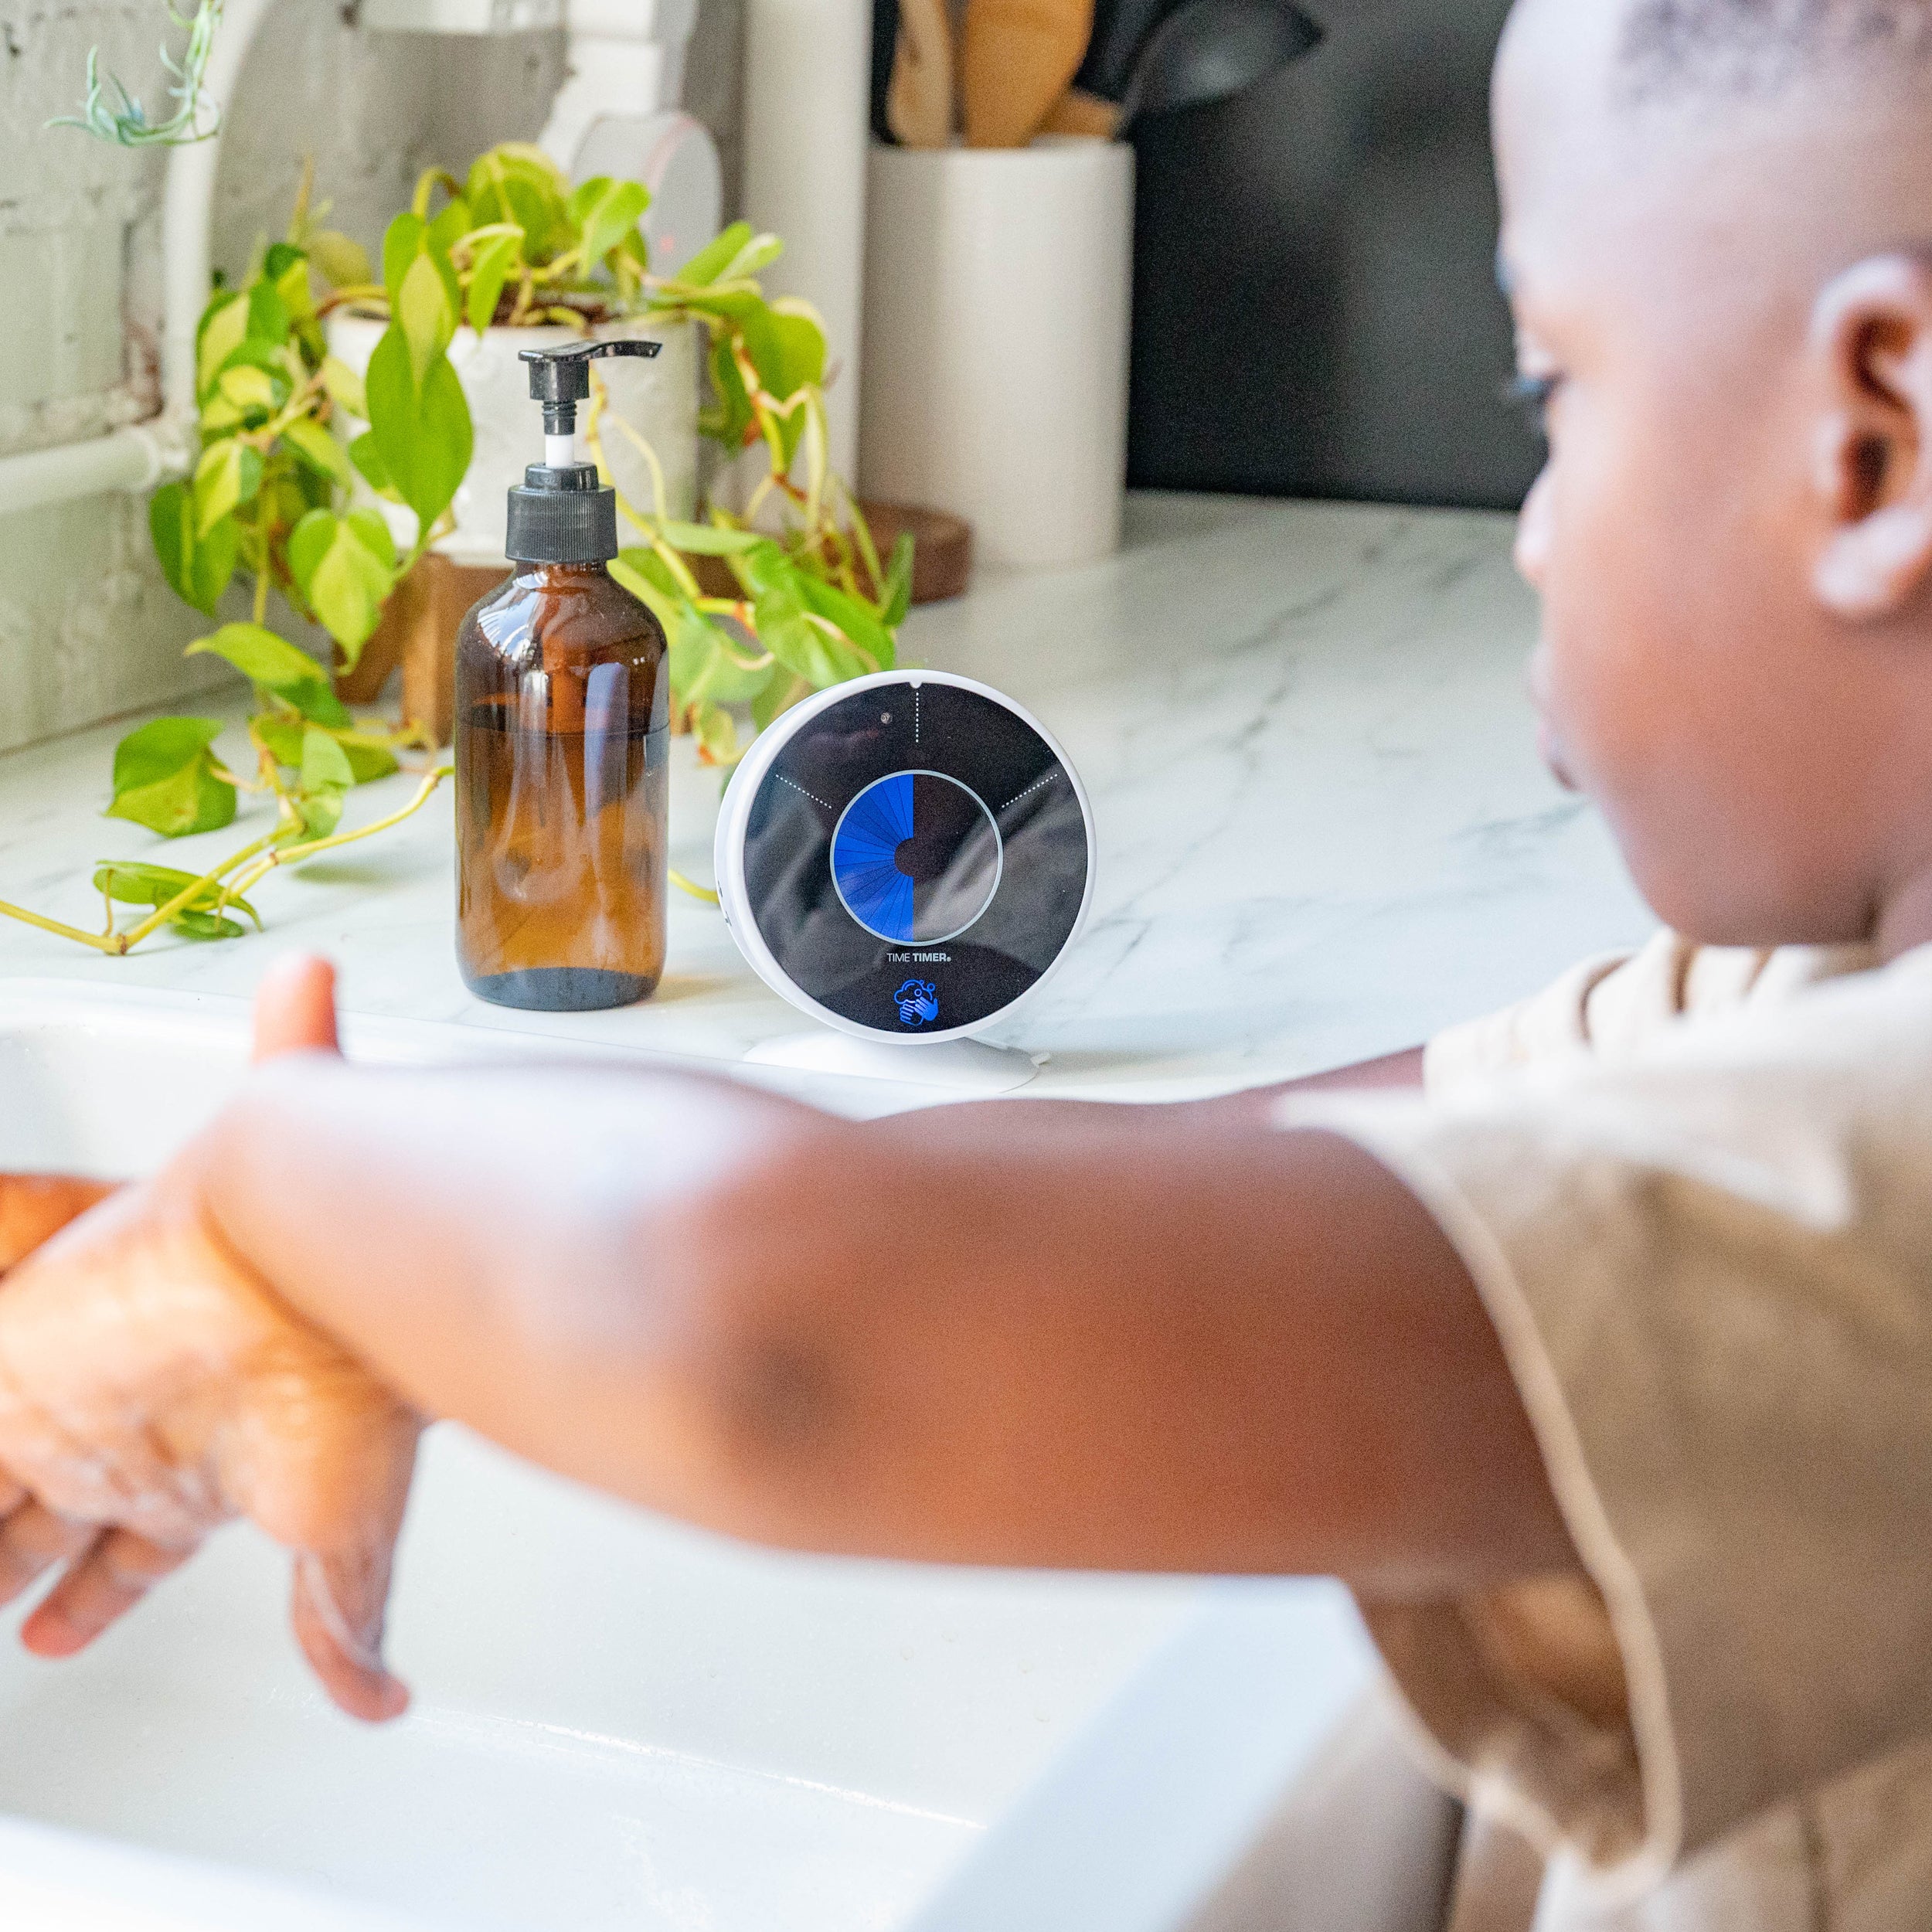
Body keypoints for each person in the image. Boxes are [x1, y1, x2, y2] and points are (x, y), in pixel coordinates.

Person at [7, 1, 1932, 1923]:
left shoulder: (1881, 1167)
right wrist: (359, 1289)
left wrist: (271, 1184)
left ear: (1877, 442)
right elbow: (1217, 1185)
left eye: (1547, 397)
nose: (1524, 535)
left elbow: (753, 1308)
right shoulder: (1771, 997)